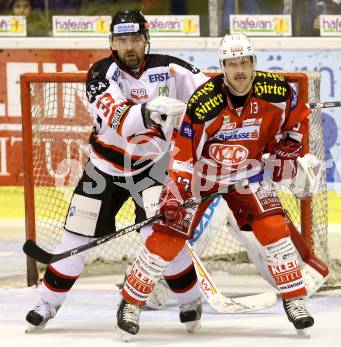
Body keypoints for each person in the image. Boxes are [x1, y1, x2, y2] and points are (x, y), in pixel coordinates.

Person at [119, 33, 317, 337]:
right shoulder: (204, 102)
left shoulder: (277, 90)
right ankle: (130, 303)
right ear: (222, 67)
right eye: (231, 63)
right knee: (168, 236)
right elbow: (184, 152)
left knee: (274, 228)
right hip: (203, 176)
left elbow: (296, 119)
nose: (239, 69)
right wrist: (176, 193)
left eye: (244, 62)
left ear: (254, 62)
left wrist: (287, 148)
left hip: (248, 173)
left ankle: (295, 300)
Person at [24, 9, 210, 334]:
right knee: (76, 237)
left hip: (152, 170)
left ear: (145, 40)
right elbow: (120, 118)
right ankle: (46, 304)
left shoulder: (170, 69)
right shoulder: (100, 74)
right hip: (103, 171)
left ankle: (191, 300)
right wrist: (149, 112)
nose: (128, 46)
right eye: (121, 39)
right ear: (112, 42)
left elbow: (210, 95)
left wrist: (232, 108)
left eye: (134, 39)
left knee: (162, 237)